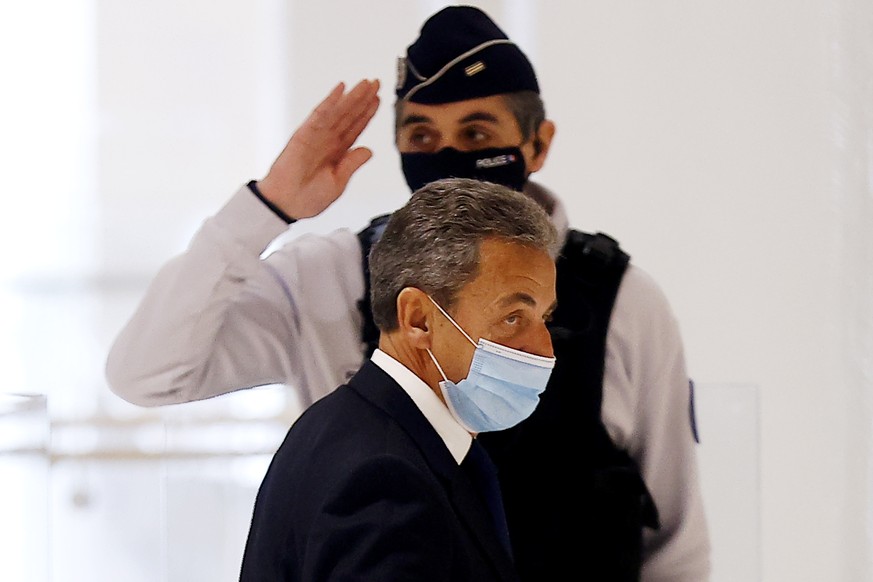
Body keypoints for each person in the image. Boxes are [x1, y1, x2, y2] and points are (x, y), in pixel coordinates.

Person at [107, 5, 710, 581]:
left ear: (538, 142)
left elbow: (675, 548)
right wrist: (269, 206)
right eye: (421, 135)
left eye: (477, 131)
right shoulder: (332, 276)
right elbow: (149, 374)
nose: (448, 157)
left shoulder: (623, 298)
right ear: (413, 314)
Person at [239, 178, 558, 581]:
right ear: (418, 319)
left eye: (544, 319)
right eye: (513, 318)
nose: (545, 349)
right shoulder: (385, 481)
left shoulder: (340, 424)